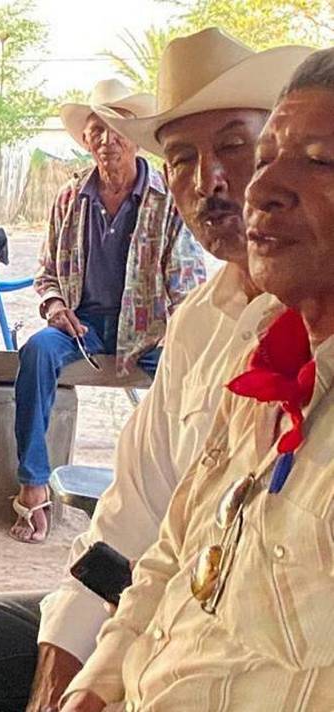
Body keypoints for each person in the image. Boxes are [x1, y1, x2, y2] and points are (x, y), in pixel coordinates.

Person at [0, 29, 313, 712]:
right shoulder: (204, 323)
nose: (211, 181)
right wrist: (69, 683)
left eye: (235, 145)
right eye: (183, 158)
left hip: (233, 642)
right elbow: (136, 527)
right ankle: (34, 483)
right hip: (172, 608)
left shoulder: (265, 330)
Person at [61, 46, 334, 711]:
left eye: (319, 159)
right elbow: (149, 535)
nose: (239, 186)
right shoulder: (253, 359)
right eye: (182, 158)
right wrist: (84, 681)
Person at [9, 78, 207, 544]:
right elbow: (46, 273)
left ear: (136, 137)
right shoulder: (69, 198)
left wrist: (172, 331)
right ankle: (34, 485)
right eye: (96, 129)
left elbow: (187, 284)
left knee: (187, 380)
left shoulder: (166, 199)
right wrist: (56, 307)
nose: (106, 139)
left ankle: (173, 497)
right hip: (85, 328)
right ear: (85, 139)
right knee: (36, 353)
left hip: (148, 331)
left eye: (117, 129)